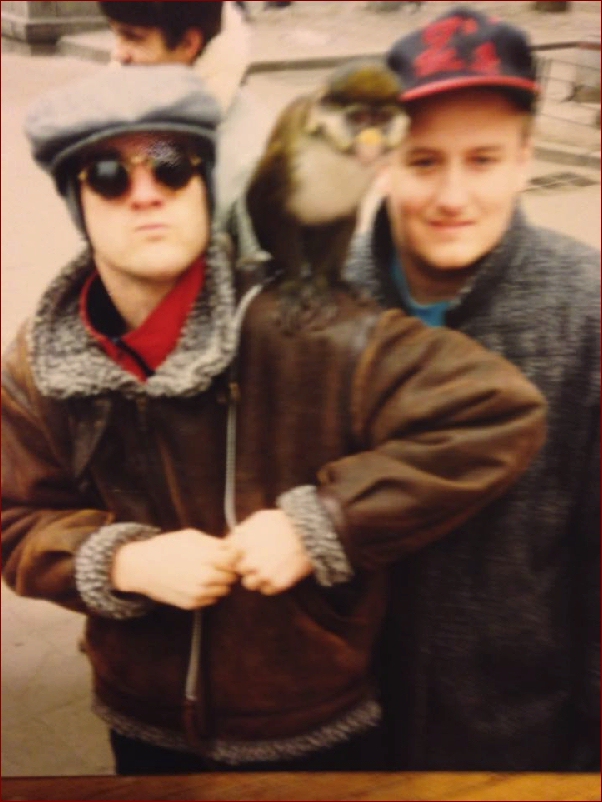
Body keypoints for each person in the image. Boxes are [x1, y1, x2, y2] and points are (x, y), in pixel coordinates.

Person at [2, 65, 545, 775]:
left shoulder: (317, 329)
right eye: (106, 175)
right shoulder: (38, 363)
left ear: (204, 185)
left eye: (171, 167)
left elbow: (499, 411)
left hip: (316, 725)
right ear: (77, 202)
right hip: (141, 719)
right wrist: (121, 562)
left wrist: (323, 524)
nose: (144, 193)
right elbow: (15, 522)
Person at [345, 5, 601, 772]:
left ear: (526, 159)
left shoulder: (586, 313)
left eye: (483, 160)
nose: (453, 195)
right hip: (340, 732)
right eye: (423, 162)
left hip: (521, 741)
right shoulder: (318, 301)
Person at [98, 1, 272, 223]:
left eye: (134, 38)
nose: (118, 53)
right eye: (116, 35)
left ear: (188, 44)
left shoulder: (247, 160)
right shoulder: (120, 119)